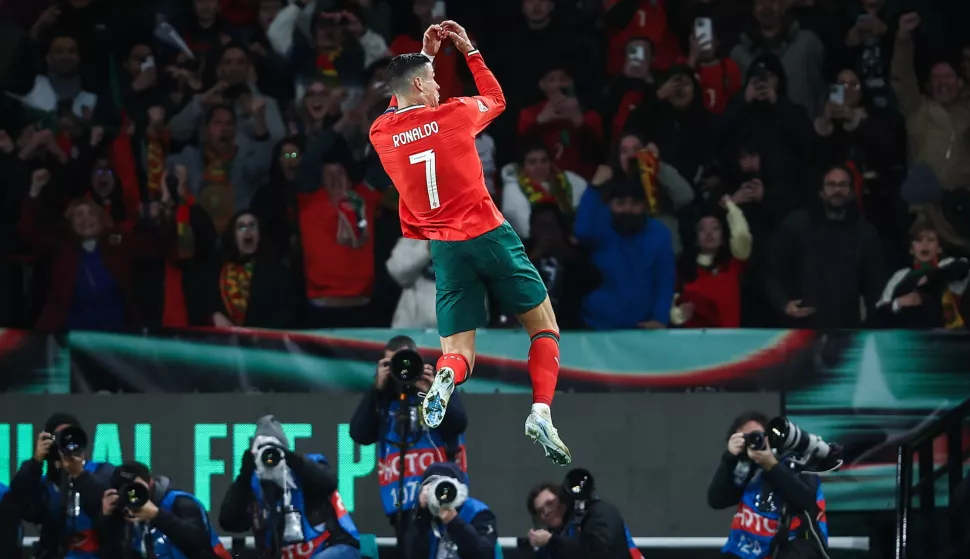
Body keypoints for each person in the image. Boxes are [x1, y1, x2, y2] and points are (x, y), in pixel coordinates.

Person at [368, 21, 570, 465]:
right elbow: (497, 99)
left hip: (443, 248)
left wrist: (425, 53)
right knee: (543, 327)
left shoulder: (381, 135)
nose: (440, 85)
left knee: (458, 354)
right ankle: (541, 410)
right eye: (434, 79)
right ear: (421, 84)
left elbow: (397, 105)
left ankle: (443, 376)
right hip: (488, 235)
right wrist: (468, 50)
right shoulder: (455, 114)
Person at [348, 335, 468, 553]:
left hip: (441, 495)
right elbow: (359, 434)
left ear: (418, 361)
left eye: (407, 361)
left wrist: (436, 391)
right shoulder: (382, 398)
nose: (402, 370)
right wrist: (375, 390)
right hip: (401, 504)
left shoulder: (435, 387)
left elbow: (459, 424)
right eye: (393, 363)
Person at [219, 415, 361, 559]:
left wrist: (290, 458)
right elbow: (230, 523)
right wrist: (244, 474)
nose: (269, 457)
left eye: (274, 451)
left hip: (332, 549)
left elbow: (329, 482)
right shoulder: (253, 483)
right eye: (263, 452)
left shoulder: (307, 468)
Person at [708, 412, 829, 559]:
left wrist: (771, 464)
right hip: (744, 549)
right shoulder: (745, 467)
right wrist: (729, 458)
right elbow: (717, 500)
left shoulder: (795, 463)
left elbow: (804, 500)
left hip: (791, 548)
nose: (753, 442)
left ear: (770, 437)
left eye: (757, 435)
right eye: (746, 438)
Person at [9, 413, 115, 559]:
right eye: (61, 437)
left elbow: (106, 508)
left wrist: (79, 475)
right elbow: (19, 502)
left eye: (72, 435)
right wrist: (35, 462)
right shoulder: (46, 484)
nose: (68, 441)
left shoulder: (103, 472)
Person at [98, 462, 232, 559]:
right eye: (125, 491)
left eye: (135, 488)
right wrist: (107, 518)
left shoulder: (180, 503)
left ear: (150, 483)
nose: (131, 496)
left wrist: (157, 515)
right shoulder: (127, 516)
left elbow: (198, 544)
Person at [526, 469, 641, 559]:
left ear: (561, 498)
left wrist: (552, 541)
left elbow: (596, 552)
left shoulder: (599, 512)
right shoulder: (550, 543)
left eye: (550, 503)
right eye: (540, 511)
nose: (546, 511)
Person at [403, 462, 498, 559]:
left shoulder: (478, 512)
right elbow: (411, 554)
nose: (443, 495)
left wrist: (454, 522)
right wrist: (422, 516)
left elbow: (485, 554)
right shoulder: (425, 514)